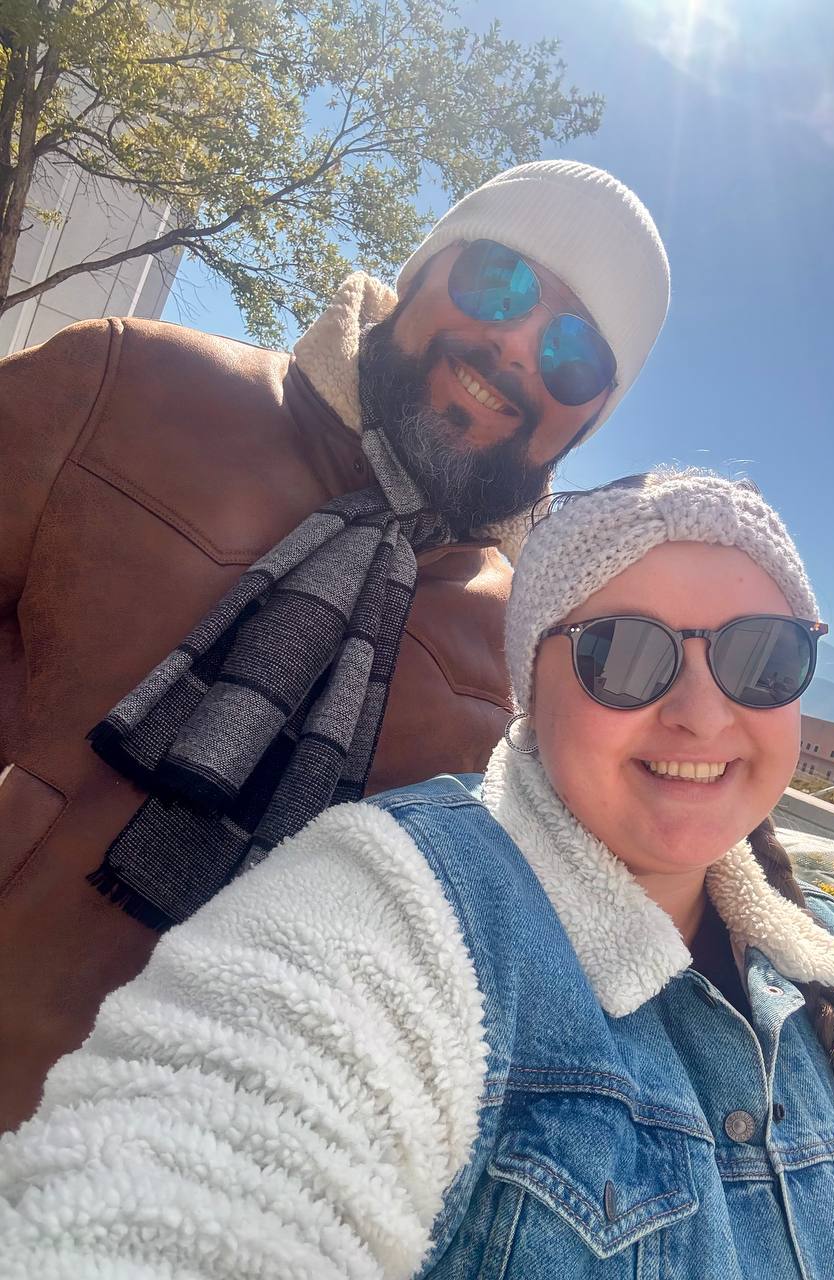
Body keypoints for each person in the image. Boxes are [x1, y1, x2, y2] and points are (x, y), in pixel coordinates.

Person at [2, 469, 834, 1280]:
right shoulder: (397, 901)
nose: (703, 715)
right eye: (627, 655)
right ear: (531, 687)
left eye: (763, 656)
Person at [0, 160, 670, 1130]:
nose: (519, 345)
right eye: (498, 281)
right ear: (422, 269)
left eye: (574, 353)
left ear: (589, 418)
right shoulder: (128, 385)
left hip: (208, 1162)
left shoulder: (525, 657)